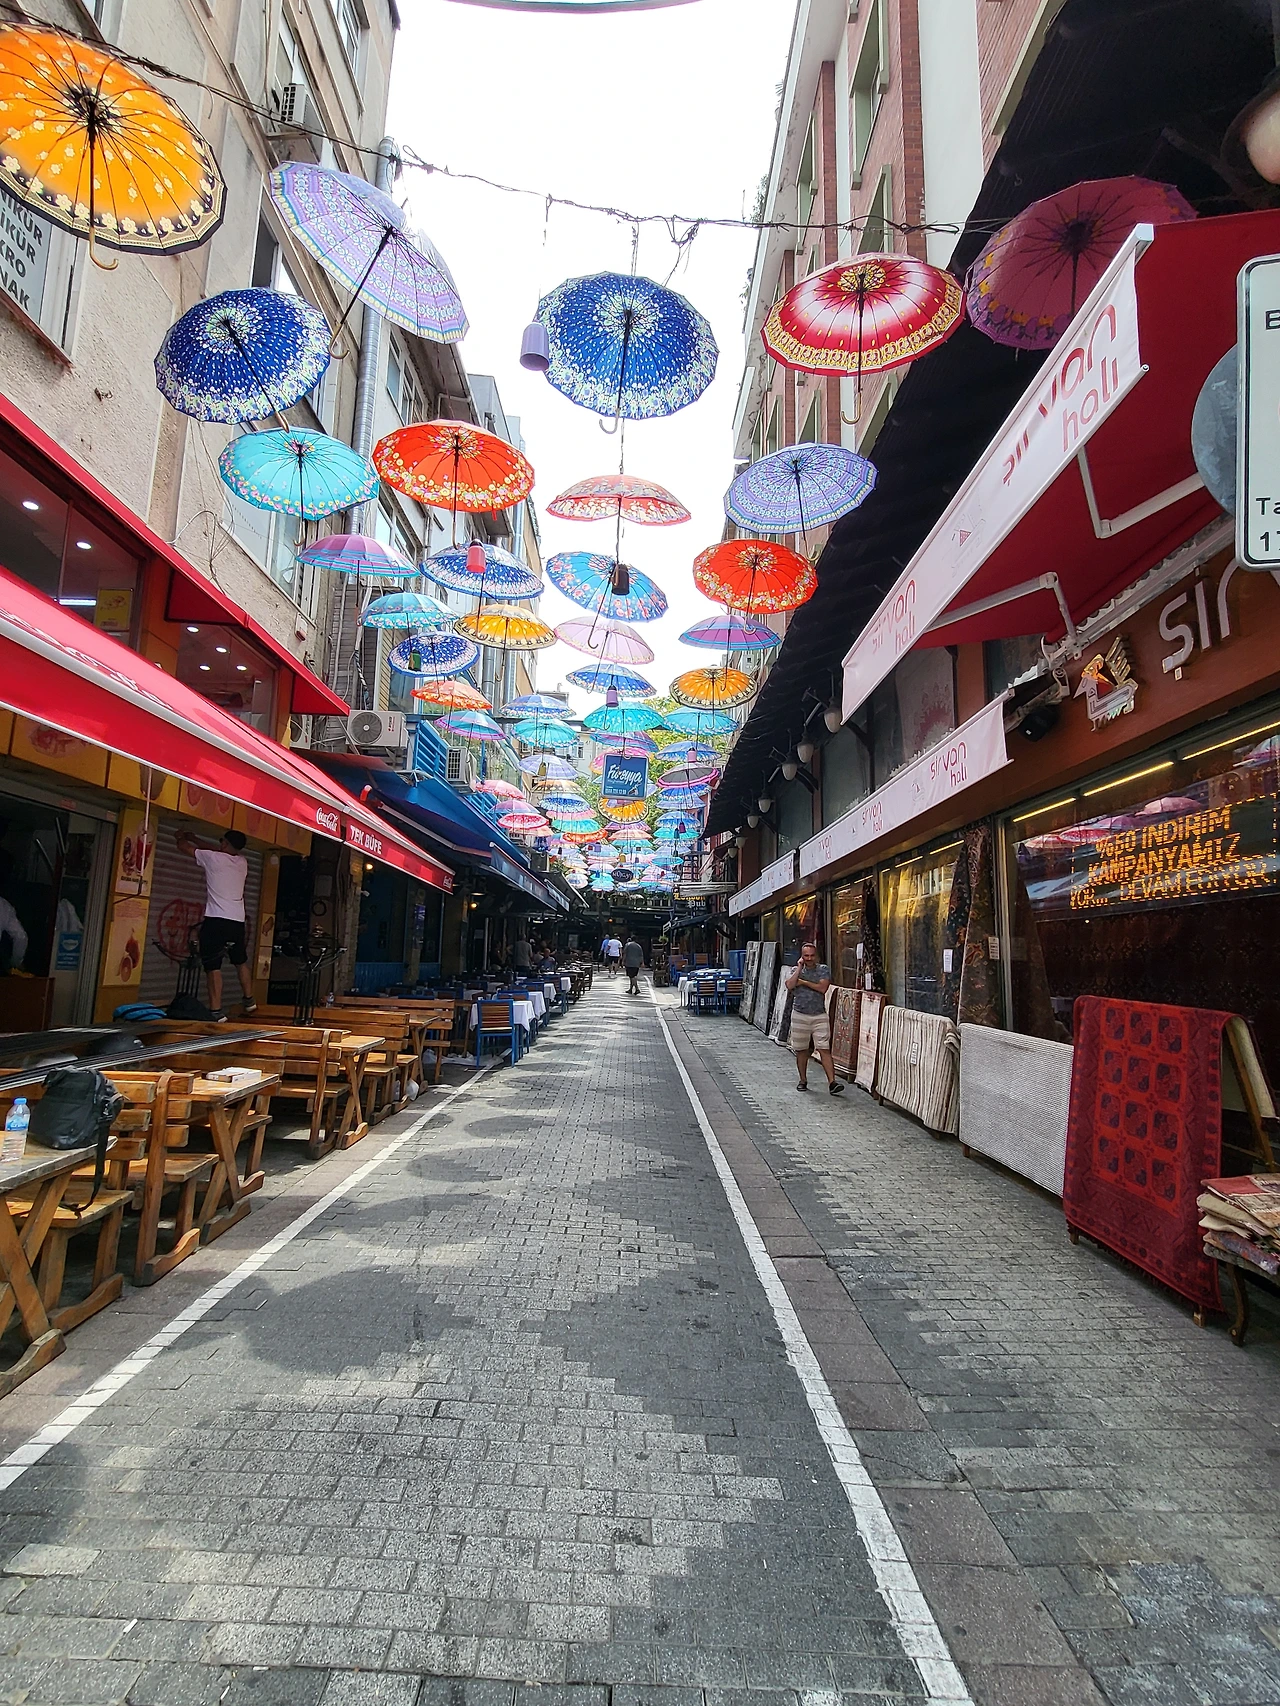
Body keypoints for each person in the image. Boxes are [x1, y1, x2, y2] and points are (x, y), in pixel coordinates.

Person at [176, 828, 256, 1021]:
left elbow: (184, 848)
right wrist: (195, 837)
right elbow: (216, 850)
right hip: (237, 921)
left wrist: (180, 837)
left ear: (225, 844)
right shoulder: (242, 862)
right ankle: (249, 1000)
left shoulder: (213, 859)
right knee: (240, 961)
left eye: (222, 841)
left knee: (213, 966)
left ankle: (216, 1011)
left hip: (216, 920)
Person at [786, 941, 844, 1096]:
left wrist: (803, 982)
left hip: (819, 1015)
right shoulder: (795, 970)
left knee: (824, 1048)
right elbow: (790, 985)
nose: (809, 958)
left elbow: (822, 988)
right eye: (806, 956)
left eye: (812, 955)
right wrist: (799, 968)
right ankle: (803, 1080)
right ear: (802, 956)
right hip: (800, 1014)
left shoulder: (823, 969)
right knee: (801, 1050)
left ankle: (832, 1083)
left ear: (816, 956)